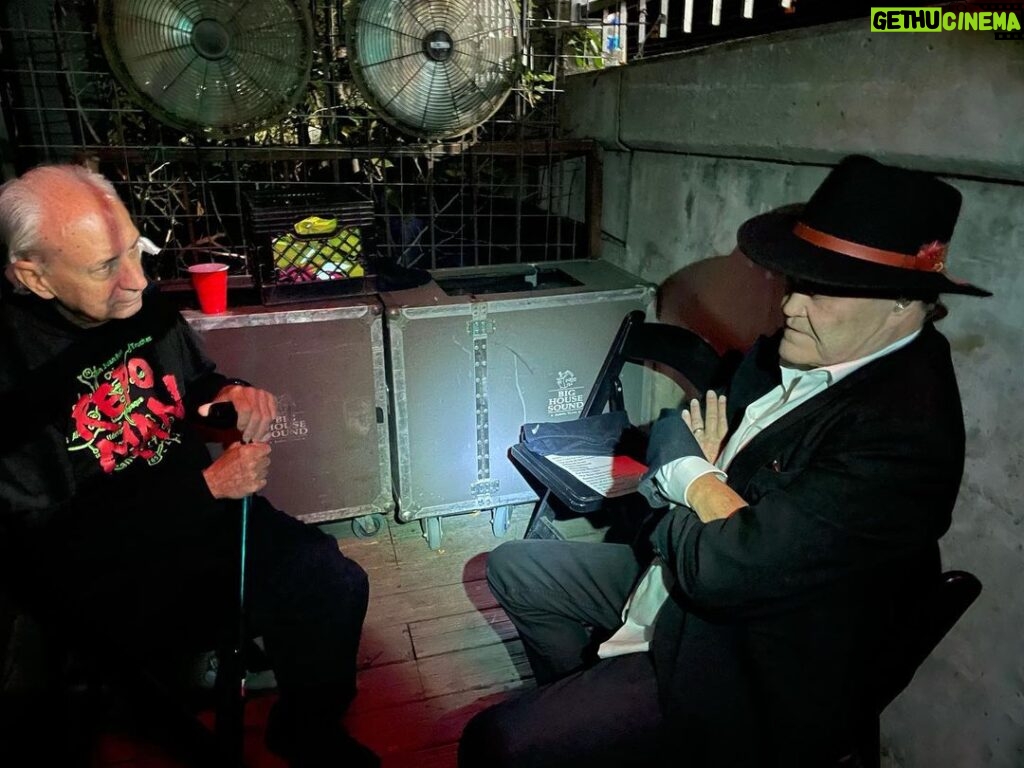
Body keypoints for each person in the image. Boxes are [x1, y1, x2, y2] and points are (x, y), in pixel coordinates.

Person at [458, 155, 991, 767]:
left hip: (744, 662)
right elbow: (671, 434)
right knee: (516, 568)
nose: (791, 306)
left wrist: (693, 477)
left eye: (820, 289)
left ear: (902, 300)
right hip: (678, 579)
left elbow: (718, 563)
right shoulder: (786, 353)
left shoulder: (905, 436)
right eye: (795, 282)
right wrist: (701, 488)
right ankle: (586, 711)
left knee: (497, 744)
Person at [0, 164, 378, 767]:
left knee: (333, 582)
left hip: (203, 517)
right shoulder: (12, 371)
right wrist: (204, 489)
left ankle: (306, 730)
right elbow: (43, 549)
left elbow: (196, 391)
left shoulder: (137, 305)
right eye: (104, 267)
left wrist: (231, 399)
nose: (137, 281)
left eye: (136, 251)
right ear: (34, 276)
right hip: (106, 574)